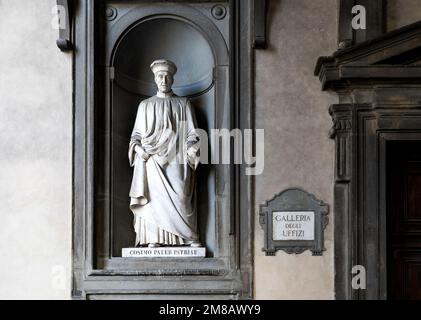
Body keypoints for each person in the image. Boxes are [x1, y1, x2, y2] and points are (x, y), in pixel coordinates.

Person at [128, 59, 201, 248]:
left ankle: (188, 236)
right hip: (152, 160)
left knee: (182, 195)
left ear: (173, 79)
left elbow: (193, 132)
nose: (164, 79)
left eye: (168, 76)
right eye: (160, 76)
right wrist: (138, 149)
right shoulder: (145, 105)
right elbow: (136, 135)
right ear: (155, 78)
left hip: (177, 158)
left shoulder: (183, 104)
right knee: (153, 201)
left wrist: (191, 147)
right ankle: (154, 238)